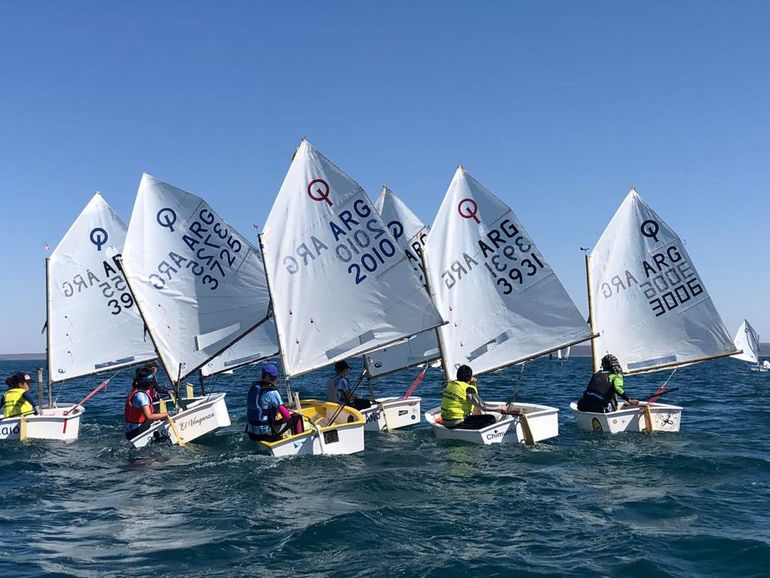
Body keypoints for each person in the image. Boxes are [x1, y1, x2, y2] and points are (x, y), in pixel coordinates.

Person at [440, 365, 518, 429]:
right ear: (470, 377)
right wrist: (501, 407)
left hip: (445, 421)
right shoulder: (468, 388)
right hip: (457, 423)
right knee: (490, 419)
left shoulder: (449, 384)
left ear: (457, 375)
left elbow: (466, 396)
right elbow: (482, 406)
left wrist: (471, 383)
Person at [246, 363, 304, 442]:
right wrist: (288, 411)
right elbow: (287, 416)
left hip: (252, 434)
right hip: (265, 434)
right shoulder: (272, 392)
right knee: (297, 418)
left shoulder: (253, 388)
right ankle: (300, 441)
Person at [124, 367, 169, 441]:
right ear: (145, 382)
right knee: (163, 419)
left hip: (130, 431)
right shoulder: (141, 396)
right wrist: (168, 414)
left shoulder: (135, 391)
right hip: (136, 432)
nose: (153, 384)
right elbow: (149, 416)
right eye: (151, 381)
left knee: (159, 417)